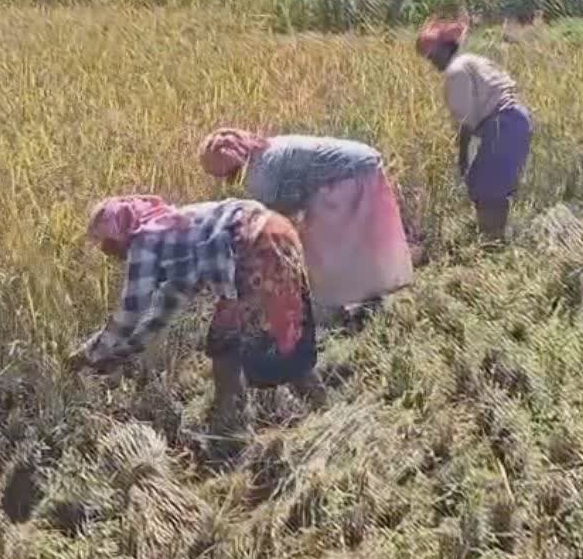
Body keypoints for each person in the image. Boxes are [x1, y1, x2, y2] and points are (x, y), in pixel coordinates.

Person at [68, 195, 326, 452]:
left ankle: (230, 437)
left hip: (253, 248)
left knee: (227, 347)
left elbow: (131, 312)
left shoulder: (144, 241)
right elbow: (161, 312)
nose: (108, 253)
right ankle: (322, 408)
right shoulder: (172, 232)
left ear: (118, 232)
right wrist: (124, 352)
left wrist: (91, 353)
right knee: (283, 334)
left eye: (106, 243)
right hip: (279, 234)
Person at [198, 128, 415, 322]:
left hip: (348, 177)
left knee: (322, 251)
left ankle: (331, 313)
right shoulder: (265, 151)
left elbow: (277, 220)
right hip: (361, 164)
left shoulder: (259, 175)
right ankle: (367, 297)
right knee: (351, 242)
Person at [416, 18, 534, 245]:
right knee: (492, 185)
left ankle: (491, 245)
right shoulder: (471, 61)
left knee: (485, 186)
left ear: (444, 49)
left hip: (504, 124)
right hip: (516, 120)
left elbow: (465, 124)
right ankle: (494, 242)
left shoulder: (456, 71)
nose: (431, 62)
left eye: (432, 56)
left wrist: (462, 163)